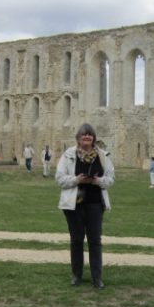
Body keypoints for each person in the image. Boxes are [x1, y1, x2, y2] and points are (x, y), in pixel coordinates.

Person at [56, 123, 115, 289]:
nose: (87, 137)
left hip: (95, 204)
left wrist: (97, 181)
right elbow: (59, 178)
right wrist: (77, 180)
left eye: (90, 135)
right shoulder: (68, 155)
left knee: (95, 241)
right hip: (74, 205)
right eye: (84, 135)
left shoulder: (102, 156)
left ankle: (97, 278)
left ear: (93, 138)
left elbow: (110, 179)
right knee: (76, 240)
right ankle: (77, 275)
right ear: (78, 138)